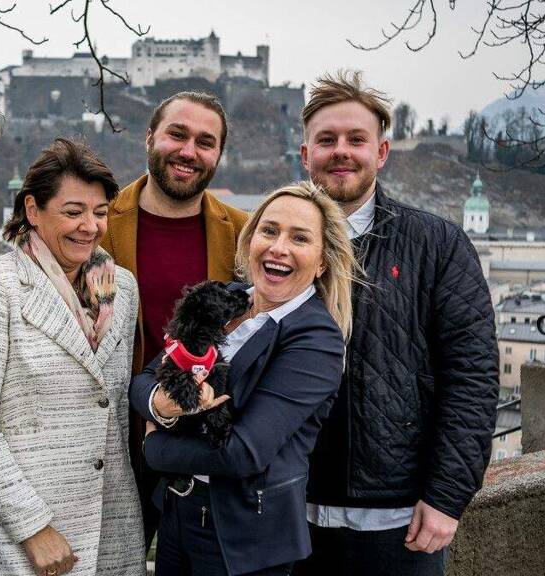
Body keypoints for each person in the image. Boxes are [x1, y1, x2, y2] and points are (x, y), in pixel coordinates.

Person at [292, 71, 499, 576]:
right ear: (305, 154)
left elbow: (472, 378)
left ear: (381, 152)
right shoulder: (272, 242)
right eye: (327, 140)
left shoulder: (439, 245)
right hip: (289, 512)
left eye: (356, 139)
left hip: (399, 520)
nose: (341, 151)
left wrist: (447, 495)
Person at [130, 182, 359, 575]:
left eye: (299, 238)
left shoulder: (316, 339)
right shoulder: (226, 298)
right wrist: (160, 405)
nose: (279, 247)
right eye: (269, 230)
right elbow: (146, 378)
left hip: (241, 538)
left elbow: (244, 452)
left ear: (322, 262)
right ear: (250, 239)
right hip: (178, 514)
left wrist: (155, 447)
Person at [0, 138, 145, 576]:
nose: (89, 227)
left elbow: (111, 408)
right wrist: (32, 526)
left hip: (111, 524)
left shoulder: (122, 288)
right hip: (27, 534)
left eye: (99, 212)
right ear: (33, 210)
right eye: (73, 212)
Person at [99, 91, 249, 547]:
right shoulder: (99, 222)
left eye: (205, 142)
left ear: (219, 154)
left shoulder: (245, 233)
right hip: (112, 441)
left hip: (205, 445)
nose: (189, 151)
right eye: (177, 135)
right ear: (150, 138)